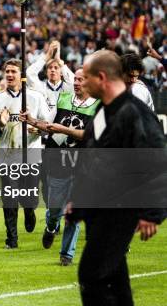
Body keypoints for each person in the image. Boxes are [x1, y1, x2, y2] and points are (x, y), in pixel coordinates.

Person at [67, 50, 166, 305]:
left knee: (92, 273)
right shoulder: (104, 111)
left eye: (86, 77)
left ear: (102, 77)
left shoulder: (134, 113)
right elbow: (92, 157)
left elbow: (159, 161)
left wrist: (151, 212)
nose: (81, 82)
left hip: (122, 207)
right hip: (100, 208)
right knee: (114, 278)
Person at [22, 69, 99, 265]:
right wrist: (31, 120)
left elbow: (89, 135)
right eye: (75, 79)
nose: (76, 82)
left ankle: (66, 254)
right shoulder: (63, 99)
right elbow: (49, 124)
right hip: (58, 164)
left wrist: (63, 129)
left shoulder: (99, 106)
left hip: (83, 166)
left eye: (81, 80)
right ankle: (50, 227)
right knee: (55, 209)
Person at [0, 59, 51, 249]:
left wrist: (38, 129)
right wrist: (1, 124)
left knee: (29, 198)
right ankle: (11, 239)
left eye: (14, 71)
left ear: (21, 76)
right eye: (7, 71)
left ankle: (30, 211)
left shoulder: (35, 97)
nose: (9, 75)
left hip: (31, 154)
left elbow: (48, 126)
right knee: (9, 198)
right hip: (7, 155)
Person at [27, 40, 75, 111]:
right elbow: (29, 73)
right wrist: (45, 58)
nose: (53, 70)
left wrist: (60, 62)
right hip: (44, 121)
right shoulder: (41, 87)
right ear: (46, 72)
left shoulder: (67, 87)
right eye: (50, 68)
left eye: (56, 68)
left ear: (62, 72)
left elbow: (75, 82)